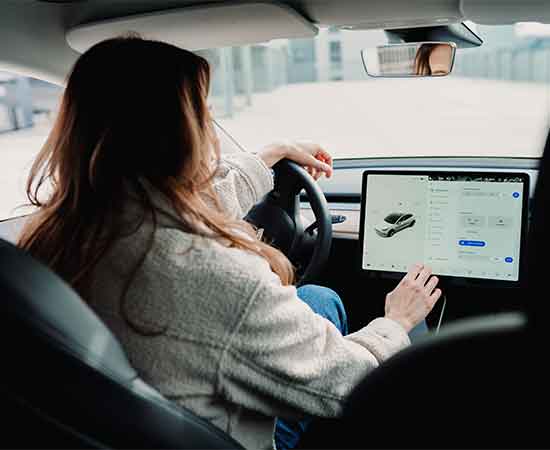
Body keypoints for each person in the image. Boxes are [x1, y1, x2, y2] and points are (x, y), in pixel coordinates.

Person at [17, 36, 441, 450]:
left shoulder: (58, 235)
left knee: (317, 298)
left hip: (131, 423)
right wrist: (395, 323)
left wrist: (267, 157)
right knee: (333, 315)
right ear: (178, 138)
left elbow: (184, 206)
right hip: (226, 432)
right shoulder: (214, 277)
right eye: (205, 116)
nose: (214, 136)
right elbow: (349, 383)